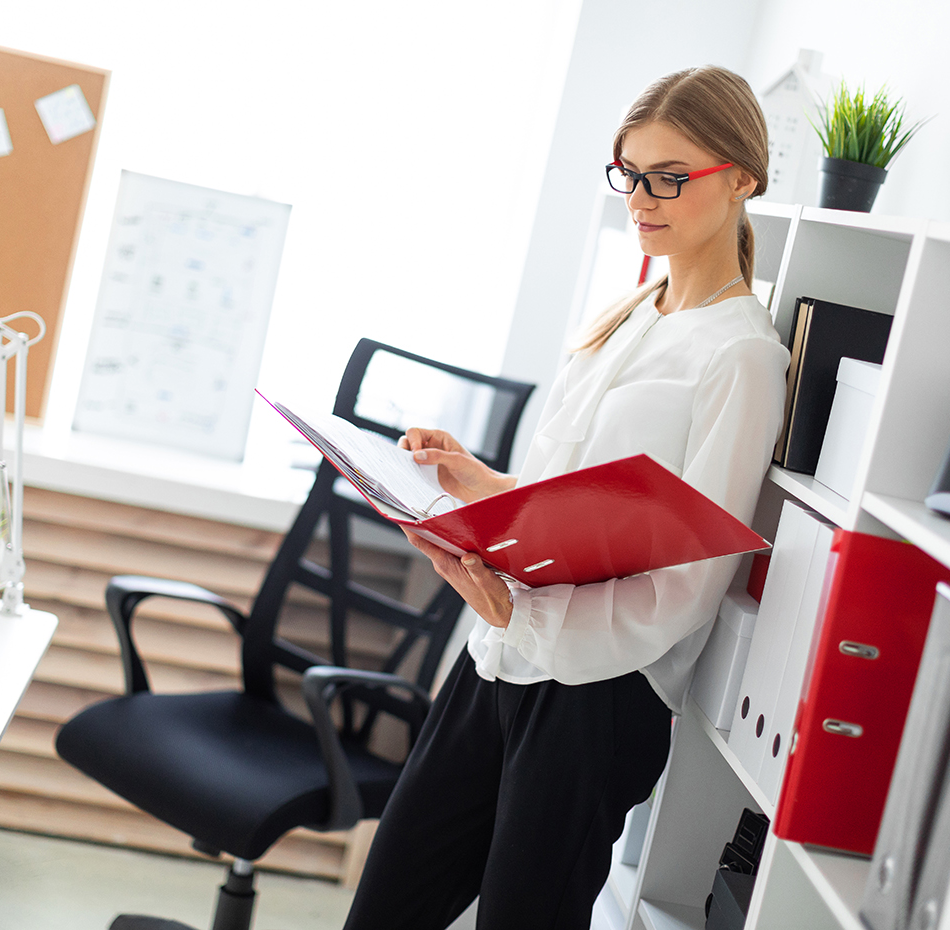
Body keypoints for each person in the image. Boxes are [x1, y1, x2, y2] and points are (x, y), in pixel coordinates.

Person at [342, 65, 789, 930]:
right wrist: (483, 484)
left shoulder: (740, 355)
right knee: (387, 904)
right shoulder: (627, 316)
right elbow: (580, 503)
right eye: (630, 175)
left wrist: (523, 615)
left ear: (742, 177)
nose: (642, 199)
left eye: (670, 177)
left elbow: (692, 574)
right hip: (498, 660)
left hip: (600, 692)